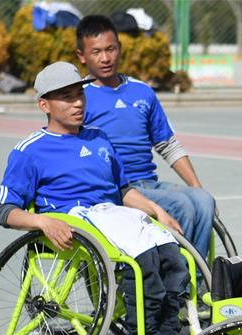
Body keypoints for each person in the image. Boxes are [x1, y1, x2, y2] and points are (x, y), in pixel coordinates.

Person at [0, 62, 190, 335]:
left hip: (112, 215)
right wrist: (43, 223)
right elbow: (4, 210)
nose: (77, 103)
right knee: (144, 259)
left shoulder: (99, 137)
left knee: (172, 252)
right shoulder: (30, 150)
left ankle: (169, 333)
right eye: (67, 97)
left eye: (79, 95)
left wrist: (155, 211)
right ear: (44, 105)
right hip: (74, 221)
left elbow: (123, 190)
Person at [75, 15, 216, 264]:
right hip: (116, 190)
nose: (105, 58)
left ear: (120, 49)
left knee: (203, 200)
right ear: (82, 56)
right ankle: (178, 282)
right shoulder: (78, 98)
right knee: (183, 205)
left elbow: (167, 145)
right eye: (96, 52)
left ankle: (193, 279)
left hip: (148, 183)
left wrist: (197, 185)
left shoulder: (142, 91)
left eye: (111, 49)